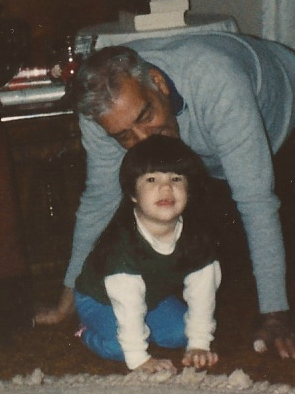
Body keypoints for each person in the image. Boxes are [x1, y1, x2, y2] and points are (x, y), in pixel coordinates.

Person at [36, 32, 295, 360]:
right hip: (209, 145)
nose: (143, 141)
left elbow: (256, 200)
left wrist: (275, 317)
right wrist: (67, 299)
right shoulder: (102, 111)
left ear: (158, 82)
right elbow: (98, 201)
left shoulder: (218, 82)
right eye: (124, 136)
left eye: (146, 117)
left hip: (293, 116)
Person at [74, 135, 220, 373]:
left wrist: (199, 343)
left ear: (189, 190)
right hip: (99, 299)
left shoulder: (196, 237)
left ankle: (141, 328)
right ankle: (86, 331)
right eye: (151, 179)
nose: (165, 188)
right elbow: (128, 301)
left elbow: (203, 291)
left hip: (151, 297)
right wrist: (140, 359)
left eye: (176, 178)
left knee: (182, 333)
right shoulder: (122, 247)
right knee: (119, 347)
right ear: (133, 194)